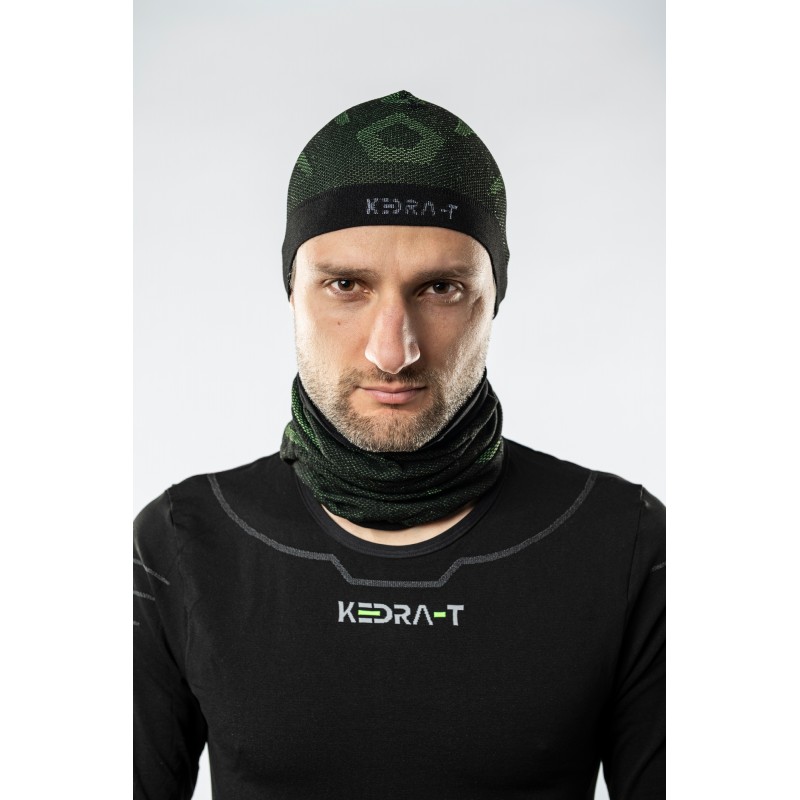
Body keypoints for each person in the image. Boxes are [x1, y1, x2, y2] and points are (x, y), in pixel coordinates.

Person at [133, 89, 665, 799]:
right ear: (290, 292)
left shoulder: (623, 540)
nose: (393, 351)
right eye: (346, 285)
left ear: (495, 298)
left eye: (440, 288)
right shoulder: (184, 540)